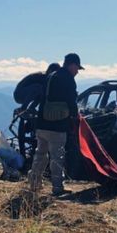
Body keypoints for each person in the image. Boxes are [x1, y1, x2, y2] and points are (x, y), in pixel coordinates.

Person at [28, 53, 84, 196]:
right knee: (57, 157)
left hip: (41, 123)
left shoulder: (50, 76)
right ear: (72, 65)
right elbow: (71, 102)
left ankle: (34, 184)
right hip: (57, 126)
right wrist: (75, 116)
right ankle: (58, 187)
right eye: (77, 68)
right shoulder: (68, 79)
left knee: (40, 154)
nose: (77, 71)